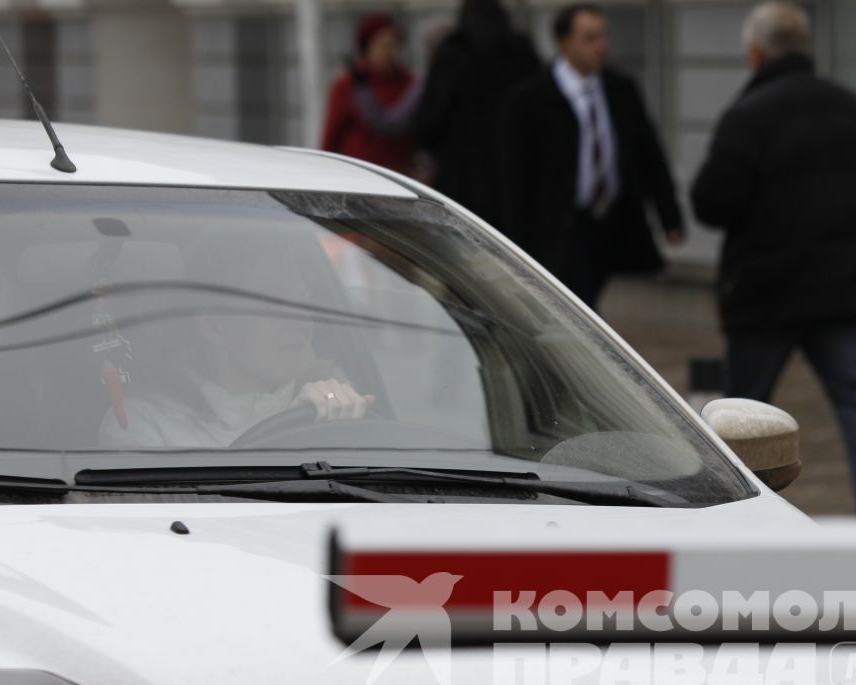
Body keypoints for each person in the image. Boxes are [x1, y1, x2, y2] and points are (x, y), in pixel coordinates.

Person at [689, 3, 856, 516]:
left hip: (765, 294)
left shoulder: (749, 114)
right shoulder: (850, 107)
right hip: (838, 290)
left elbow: (711, 201)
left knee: (740, 418)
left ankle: (726, 514)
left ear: (755, 53)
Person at [100, 236, 373, 450]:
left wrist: (335, 426)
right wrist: (289, 441)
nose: (301, 320)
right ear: (214, 326)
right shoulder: (142, 425)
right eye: (273, 303)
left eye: (302, 301)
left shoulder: (337, 410)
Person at [498, 4, 684, 308]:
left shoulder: (620, 90)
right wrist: (517, 241)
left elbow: (649, 154)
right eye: (590, 38)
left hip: (609, 222)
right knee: (575, 305)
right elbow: (515, 179)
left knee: (588, 298)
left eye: (603, 37)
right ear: (564, 43)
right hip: (559, 227)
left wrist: (670, 216)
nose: (602, 46)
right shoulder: (528, 101)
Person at [410, 0, 541, 230]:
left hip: (462, 187)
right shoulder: (521, 53)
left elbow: (427, 126)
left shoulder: (452, 54)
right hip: (520, 186)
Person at [320, 13, 421, 175]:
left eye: (394, 45)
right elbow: (332, 136)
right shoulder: (348, 84)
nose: (389, 52)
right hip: (358, 175)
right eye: (383, 45)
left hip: (399, 175)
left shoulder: (407, 83)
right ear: (368, 47)